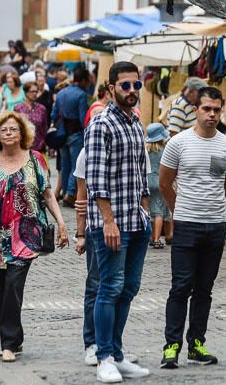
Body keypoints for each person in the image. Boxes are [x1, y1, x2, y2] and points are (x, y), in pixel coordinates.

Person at [0, 111, 68, 362]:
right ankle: (16, 333)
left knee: (14, 286)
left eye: (13, 129)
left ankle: (9, 344)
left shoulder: (36, 160)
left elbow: (48, 195)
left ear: (22, 133)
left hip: (25, 235)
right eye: (4, 130)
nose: (9, 133)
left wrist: (61, 223)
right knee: (3, 294)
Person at [158, 86, 226, 369]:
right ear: (196, 110)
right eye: (207, 109)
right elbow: (165, 183)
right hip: (186, 224)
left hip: (215, 226)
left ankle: (197, 343)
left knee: (205, 289)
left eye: (217, 109)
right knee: (180, 287)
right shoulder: (178, 143)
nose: (212, 114)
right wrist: (180, 209)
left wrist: (213, 207)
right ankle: (171, 346)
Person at [84, 61, 151, 382]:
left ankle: (118, 353)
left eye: (136, 85)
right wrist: (108, 221)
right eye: (125, 86)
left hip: (136, 221)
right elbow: (95, 180)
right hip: (110, 224)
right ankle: (104, 357)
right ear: (111, 88)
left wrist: (146, 212)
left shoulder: (135, 123)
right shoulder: (101, 125)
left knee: (129, 288)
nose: (132, 91)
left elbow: (141, 173)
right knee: (109, 288)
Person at [52, 67, 90, 207]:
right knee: (76, 165)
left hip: (62, 133)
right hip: (76, 133)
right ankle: (70, 193)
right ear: (84, 80)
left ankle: (67, 191)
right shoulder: (81, 94)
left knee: (65, 164)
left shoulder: (61, 92)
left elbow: (54, 114)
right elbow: (83, 118)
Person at [146, 123, 172, 249]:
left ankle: (151, 237)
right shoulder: (163, 151)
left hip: (146, 182)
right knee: (159, 212)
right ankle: (157, 239)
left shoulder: (145, 150)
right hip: (159, 182)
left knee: (151, 210)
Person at [14, 82, 48, 153]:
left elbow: (44, 128)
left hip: (39, 147)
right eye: (32, 91)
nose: (35, 94)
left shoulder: (42, 108)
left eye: (36, 91)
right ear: (26, 92)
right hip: (23, 147)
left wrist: (44, 142)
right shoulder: (18, 108)